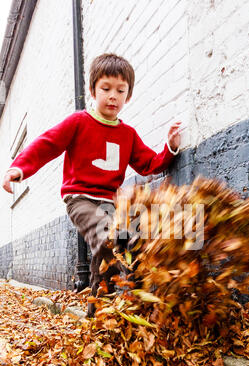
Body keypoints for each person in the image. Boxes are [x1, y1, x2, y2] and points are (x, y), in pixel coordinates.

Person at [2, 53, 182, 316]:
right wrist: (19, 167)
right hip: (80, 199)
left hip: (111, 203)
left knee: (122, 243)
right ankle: (125, 291)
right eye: (106, 89)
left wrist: (170, 147)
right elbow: (48, 143)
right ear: (92, 91)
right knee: (106, 234)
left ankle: (99, 311)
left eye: (120, 91)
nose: (113, 96)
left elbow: (148, 164)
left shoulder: (128, 134)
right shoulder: (78, 122)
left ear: (128, 96)